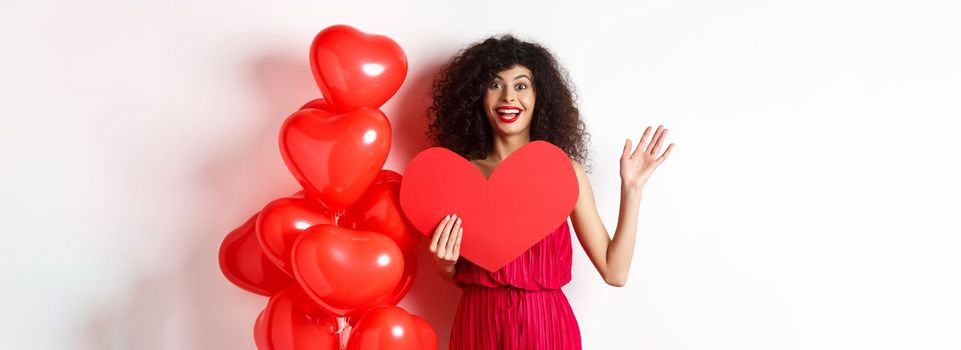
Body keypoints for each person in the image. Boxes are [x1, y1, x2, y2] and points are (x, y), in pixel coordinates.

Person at [424, 34, 674, 350]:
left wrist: (632, 188)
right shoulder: (458, 175)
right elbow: (457, 272)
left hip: (545, 326)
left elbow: (615, 271)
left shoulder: (565, 173)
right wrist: (443, 263)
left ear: (540, 96)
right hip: (477, 323)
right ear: (478, 95)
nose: (508, 97)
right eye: (495, 84)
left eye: (521, 85)